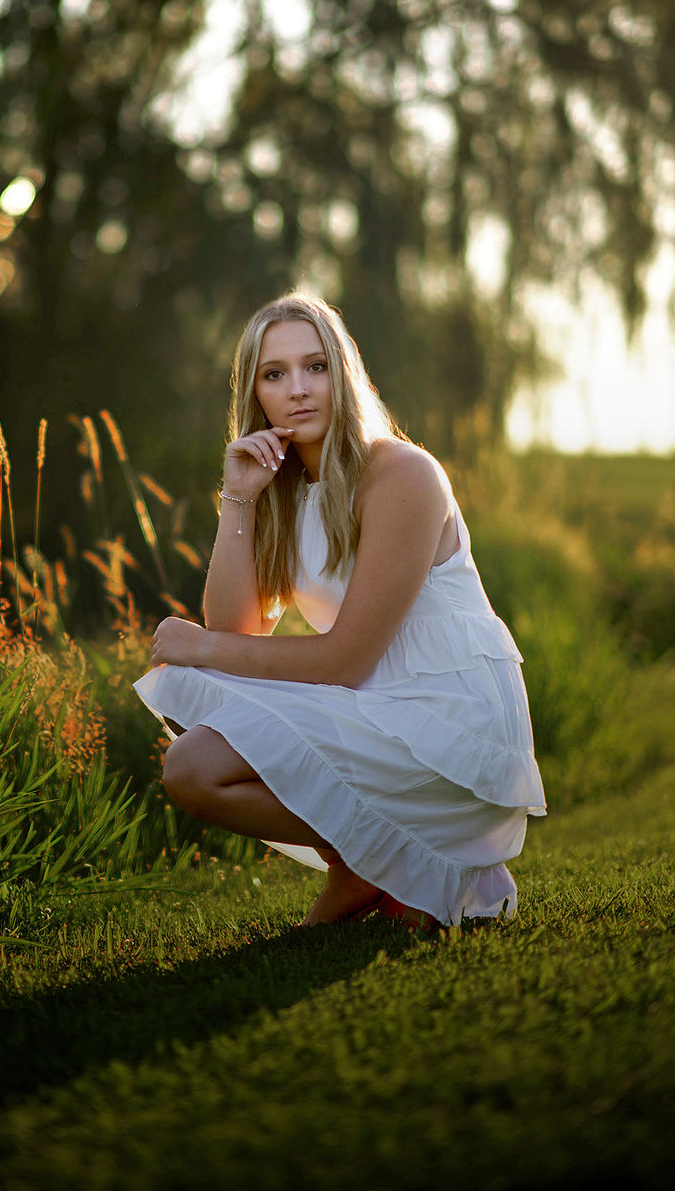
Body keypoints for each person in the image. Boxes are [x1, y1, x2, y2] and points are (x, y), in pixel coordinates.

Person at [134, 292, 546, 929]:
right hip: (375, 708)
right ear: (255, 394)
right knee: (191, 765)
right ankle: (359, 861)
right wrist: (239, 499)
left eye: (315, 366)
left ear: (344, 374)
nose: (298, 389)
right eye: (275, 374)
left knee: (195, 679)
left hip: (450, 726)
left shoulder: (403, 475)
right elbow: (236, 631)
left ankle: (385, 858)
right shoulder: (281, 490)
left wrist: (201, 647)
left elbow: (345, 659)